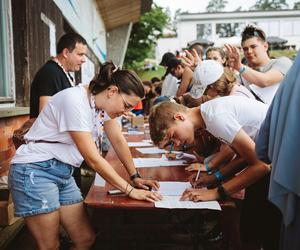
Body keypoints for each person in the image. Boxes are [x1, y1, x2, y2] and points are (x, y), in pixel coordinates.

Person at [9, 62, 162, 250]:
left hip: (63, 172)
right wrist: (130, 190)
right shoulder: (75, 100)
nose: (127, 112)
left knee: (85, 239)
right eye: (127, 105)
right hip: (35, 170)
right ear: (112, 91)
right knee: (49, 246)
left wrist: (135, 177)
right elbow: (93, 160)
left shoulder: (102, 106)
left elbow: (118, 140)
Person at [148, 96, 281, 250]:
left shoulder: (214, 117)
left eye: (172, 137)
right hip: (274, 155)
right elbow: (245, 156)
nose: (176, 144)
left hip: (282, 157)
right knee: (252, 231)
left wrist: (216, 193)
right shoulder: (209, 117)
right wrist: (213, 178)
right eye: (170, 144)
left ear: (179, 117)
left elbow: (261, 165)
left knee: (263, 233)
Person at [225, 25, 292, 104]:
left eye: (253, 46)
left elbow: (265, 81)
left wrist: (240, 67)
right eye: (245, 49)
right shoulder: (241, 74)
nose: (249, 51)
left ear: (265, 46)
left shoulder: (283, 62)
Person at [30, 33, 87, 118]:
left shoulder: (64, 74)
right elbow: (45, 115)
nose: (84, 60)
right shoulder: (50, 73)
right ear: (66, 53)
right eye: (80, 54)